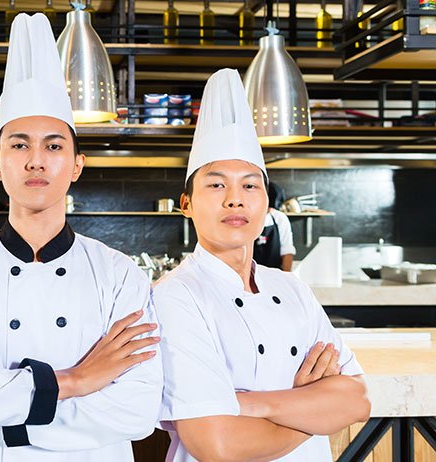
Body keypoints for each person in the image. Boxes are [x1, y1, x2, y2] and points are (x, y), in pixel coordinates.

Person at [0, 13, 162, 462]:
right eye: (19, 145)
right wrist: (78, 381)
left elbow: (136, 411)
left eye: (54, 146)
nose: (36, 161)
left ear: (77, 165)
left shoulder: (119, 274)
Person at [153, 69, 370, 461]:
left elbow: (356, 400)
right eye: (216, 184)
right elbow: (217, 446)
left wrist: (254, 404)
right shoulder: (174, 295)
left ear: (266, 205)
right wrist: (313, 409)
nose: (235, 200)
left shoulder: (292, 288)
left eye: (250, 185)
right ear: (186, 205)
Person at [254, 181, 296, 271]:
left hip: (274, 274)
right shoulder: (245, 218)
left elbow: (287, 250)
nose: (268, 210)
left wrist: (286, 277)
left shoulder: (279, 218)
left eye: (271, 208)